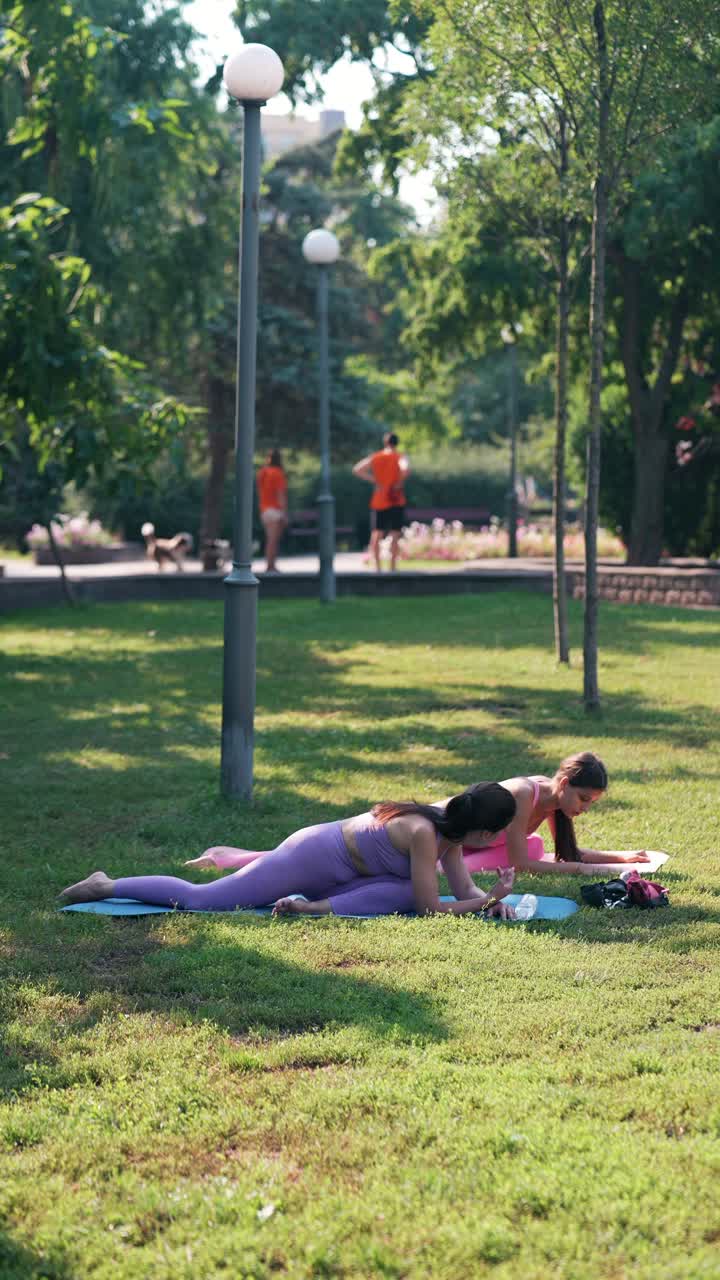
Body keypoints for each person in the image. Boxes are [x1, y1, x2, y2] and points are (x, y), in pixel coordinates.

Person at [59, 783, 518, 918]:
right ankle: (106, 884)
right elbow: (434, 909)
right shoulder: (423, 831)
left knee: (404, 893)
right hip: (315, 855)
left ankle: (314, 908)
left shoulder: (451, 832)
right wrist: (490, 900)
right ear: (482, 832)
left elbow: (461, 890)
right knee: (206, 900)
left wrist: (486, 901)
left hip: (344, 876)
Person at [460, 751, 652, 875]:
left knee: (535, 845)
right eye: (583, 799)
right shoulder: (524, 793)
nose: (585, 809)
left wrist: (621, 858)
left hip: (477, 844)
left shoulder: (553, 800)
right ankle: (444, 865)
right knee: (528, 854)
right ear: (564, 784)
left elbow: (568, 853)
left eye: (591, 803)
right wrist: (583, 869)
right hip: (446, 837)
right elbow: (520, 866)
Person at [353, 432, 410, 572]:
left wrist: (375, 480)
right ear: (397, 444)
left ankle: (377, 567)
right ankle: (392, 567)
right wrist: (399, 482)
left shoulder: (376, 457)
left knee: (376, 533)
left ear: (385, 443)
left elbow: (357, 469)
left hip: (379, 500)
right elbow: (405, 469)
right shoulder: (399, 457)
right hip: (396, 499)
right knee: (395, 534)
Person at [256, 448, 288, 575]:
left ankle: (270, 564)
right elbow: (281, 494)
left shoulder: (263, 472)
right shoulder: (278, 473)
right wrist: (284, 513)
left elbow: (260, 492)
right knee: (273, 540)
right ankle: (271, 566)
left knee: (270, 539)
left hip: (264, 509)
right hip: (275, 510)